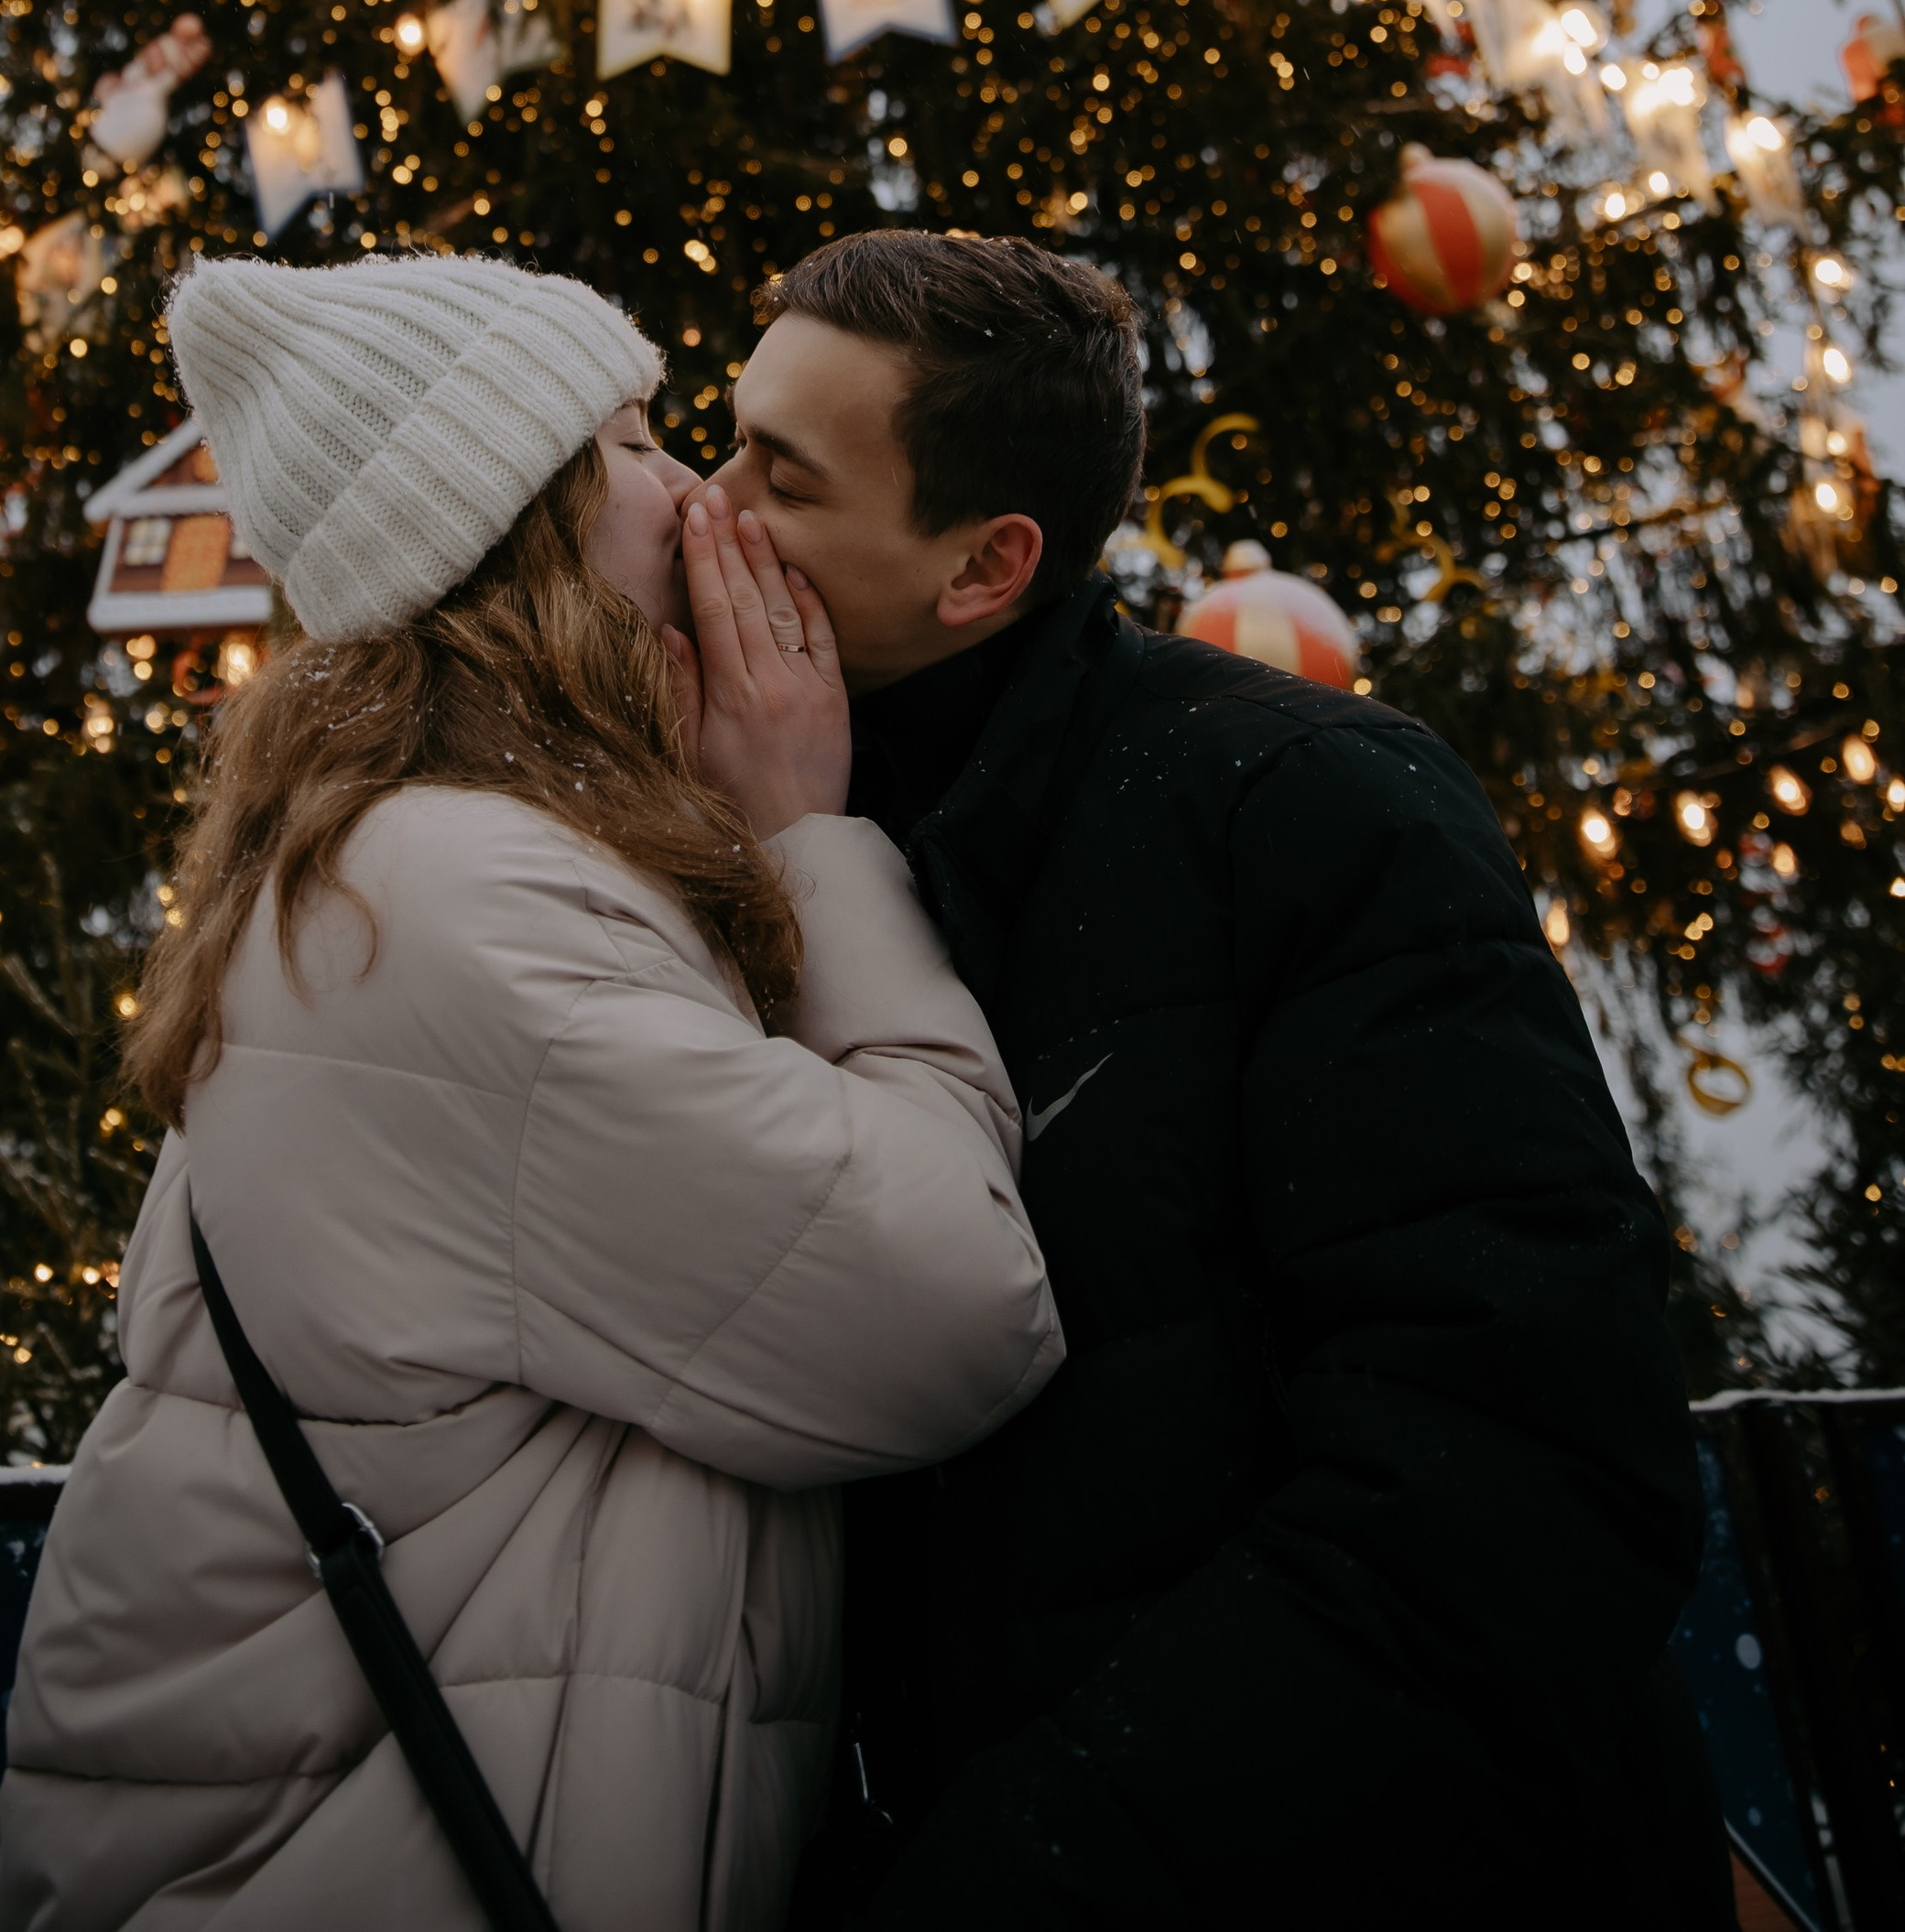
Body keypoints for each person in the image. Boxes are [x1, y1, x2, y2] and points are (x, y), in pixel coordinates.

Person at [0, 248, 1059, 1932]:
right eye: (633, 445)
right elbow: (956, 1307)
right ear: (514, 530)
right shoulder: (463, 898)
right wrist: (811, 834)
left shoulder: (426, 861)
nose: (696, 492)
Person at [716, 229, 1734, 1932]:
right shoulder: (756, 839)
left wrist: (1029, 1873)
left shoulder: (1303, 810)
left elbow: (1515, 1479)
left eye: (783, 476)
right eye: (727, 438)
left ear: (984, 566)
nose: (713, 502)